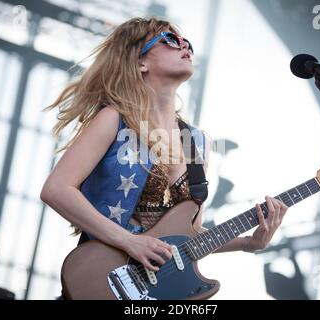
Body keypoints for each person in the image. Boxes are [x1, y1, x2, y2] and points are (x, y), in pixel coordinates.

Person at [40, 17, 288, 275]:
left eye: (187, 42)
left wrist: (248, 243)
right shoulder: (114, 119)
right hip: (102, 277)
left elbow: (188, 234)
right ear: (140, 62)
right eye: (171, 40)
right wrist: (128, 241)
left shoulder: (197, 142)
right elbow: (56, 189)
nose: (185, 47)